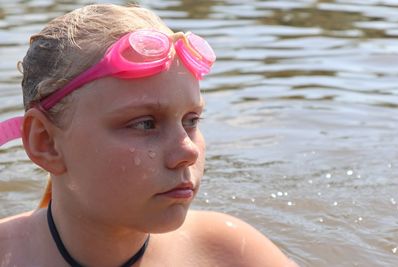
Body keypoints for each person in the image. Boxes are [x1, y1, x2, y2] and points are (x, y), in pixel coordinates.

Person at [0, 4, 298, 267]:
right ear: (46, 142)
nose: (188, 151)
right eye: (144, 124)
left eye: (191, 120)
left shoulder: (232, 253)